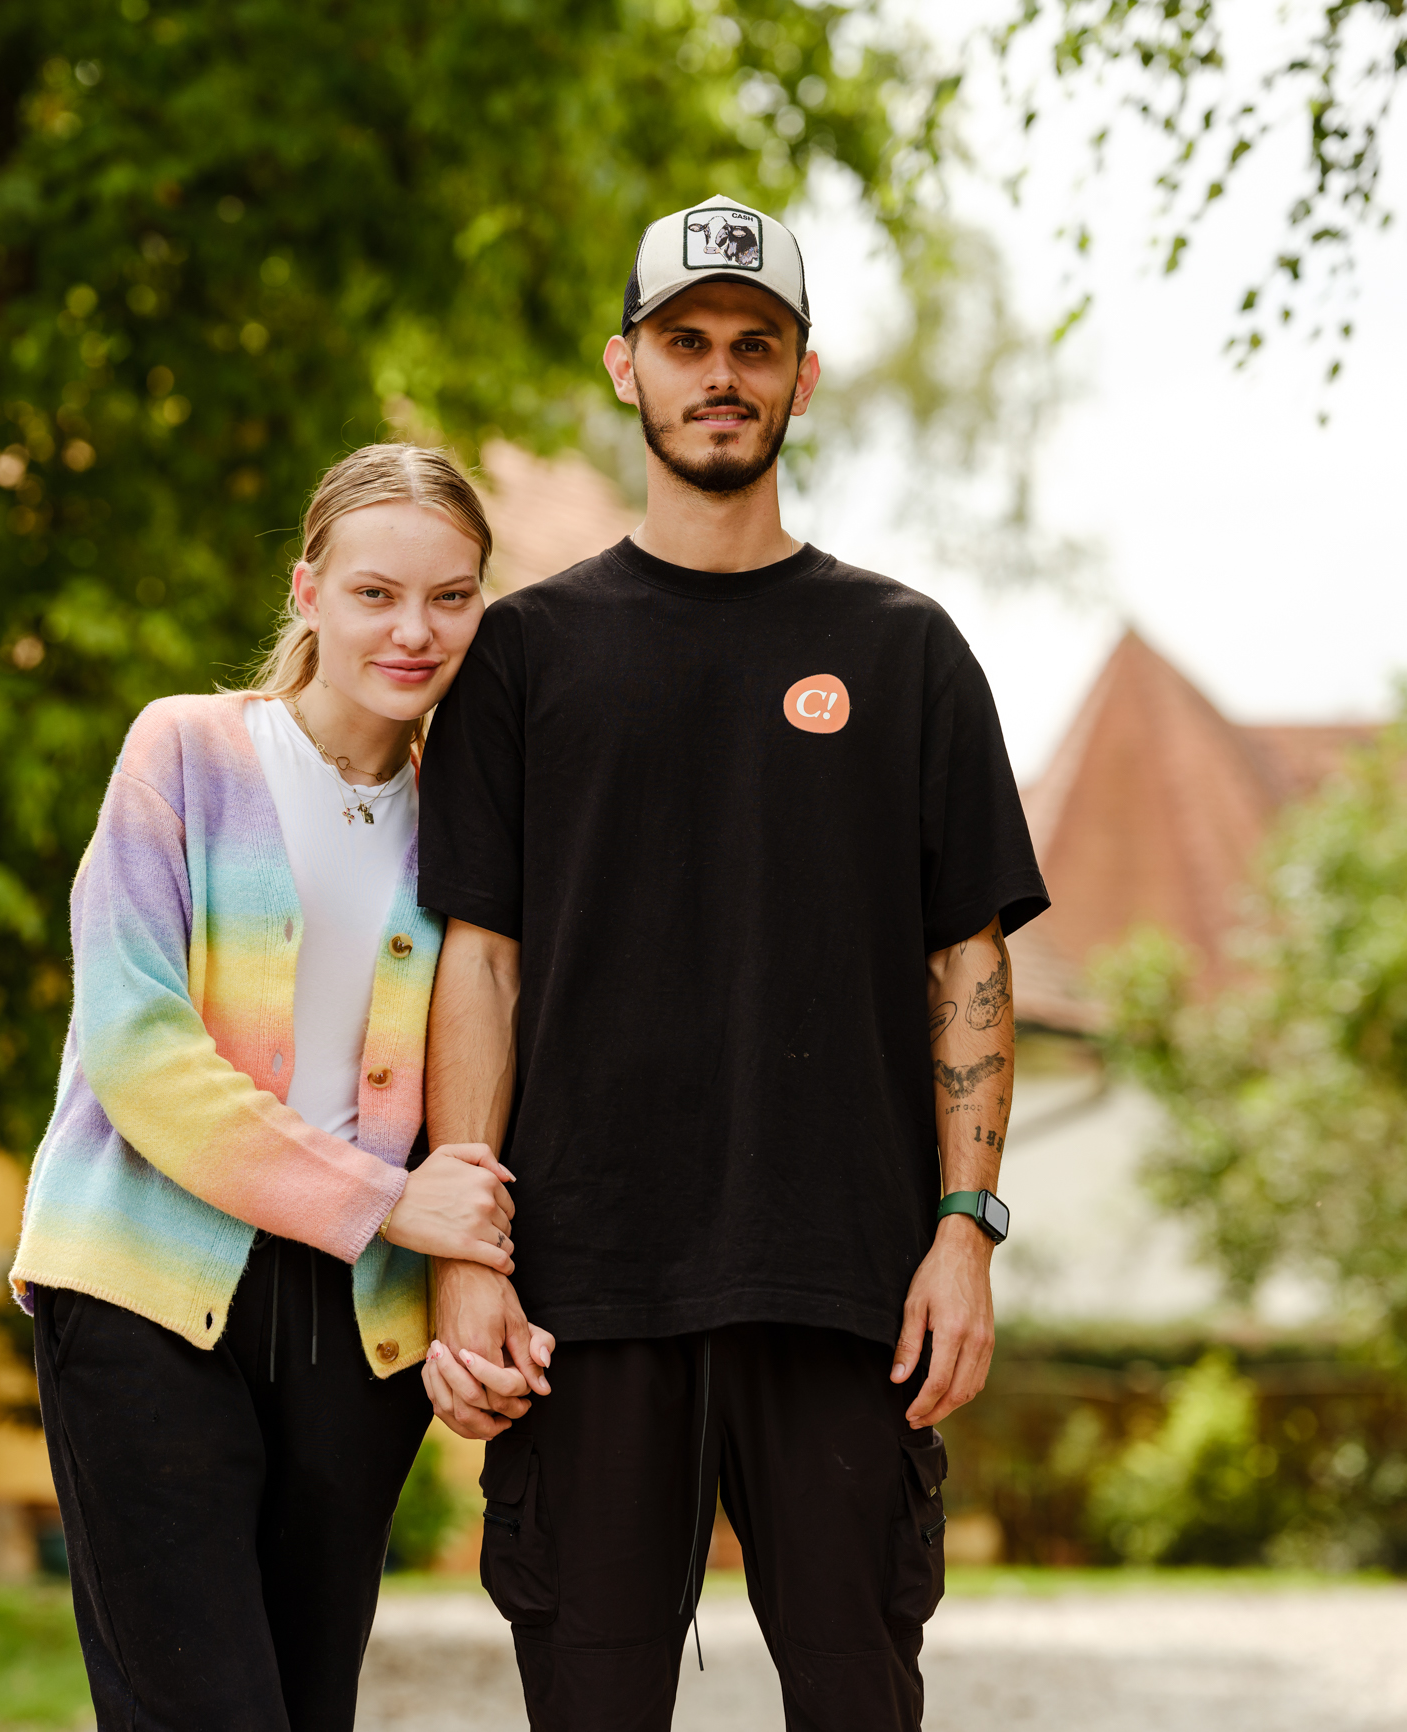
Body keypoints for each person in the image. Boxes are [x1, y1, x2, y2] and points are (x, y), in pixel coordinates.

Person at [415, 196, 1051, 1731]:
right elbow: (478, 965)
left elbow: (962, 962)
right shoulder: (524, 655)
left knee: (855, 1701)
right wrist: (463, 1258)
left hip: (845, 1287)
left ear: (802, 379)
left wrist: (963, 1227)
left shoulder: (905, 652)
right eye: (686, 342)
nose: (720, 373)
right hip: (587, 1291)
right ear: (625, 366)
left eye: (752, 347)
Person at [10, 443, 537, 1732]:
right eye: (375, 593)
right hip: (144, 1286)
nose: (414, 631)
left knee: (308, 1709)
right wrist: (391, 1203)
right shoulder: (185, 752)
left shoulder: (464, 826)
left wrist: (479, 1272)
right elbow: (137, 1050)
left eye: (452, 598)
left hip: (353, 1335)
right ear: (307, 591)